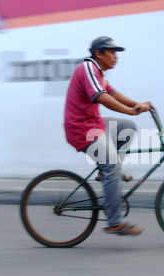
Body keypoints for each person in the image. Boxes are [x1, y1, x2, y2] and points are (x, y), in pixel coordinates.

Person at [63, 36, 151, 236]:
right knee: (112, 164)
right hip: (81, 129)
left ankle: (106, 174)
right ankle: (115, 222)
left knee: (127, 127)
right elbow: (101, 97)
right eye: (111, 52)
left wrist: (139, 105)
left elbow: (113, 93)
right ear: (98, 54)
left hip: (95, 124)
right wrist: (130, 110)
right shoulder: (87, 69)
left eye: (116, 52)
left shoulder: (99, 74)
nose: (115, 56)